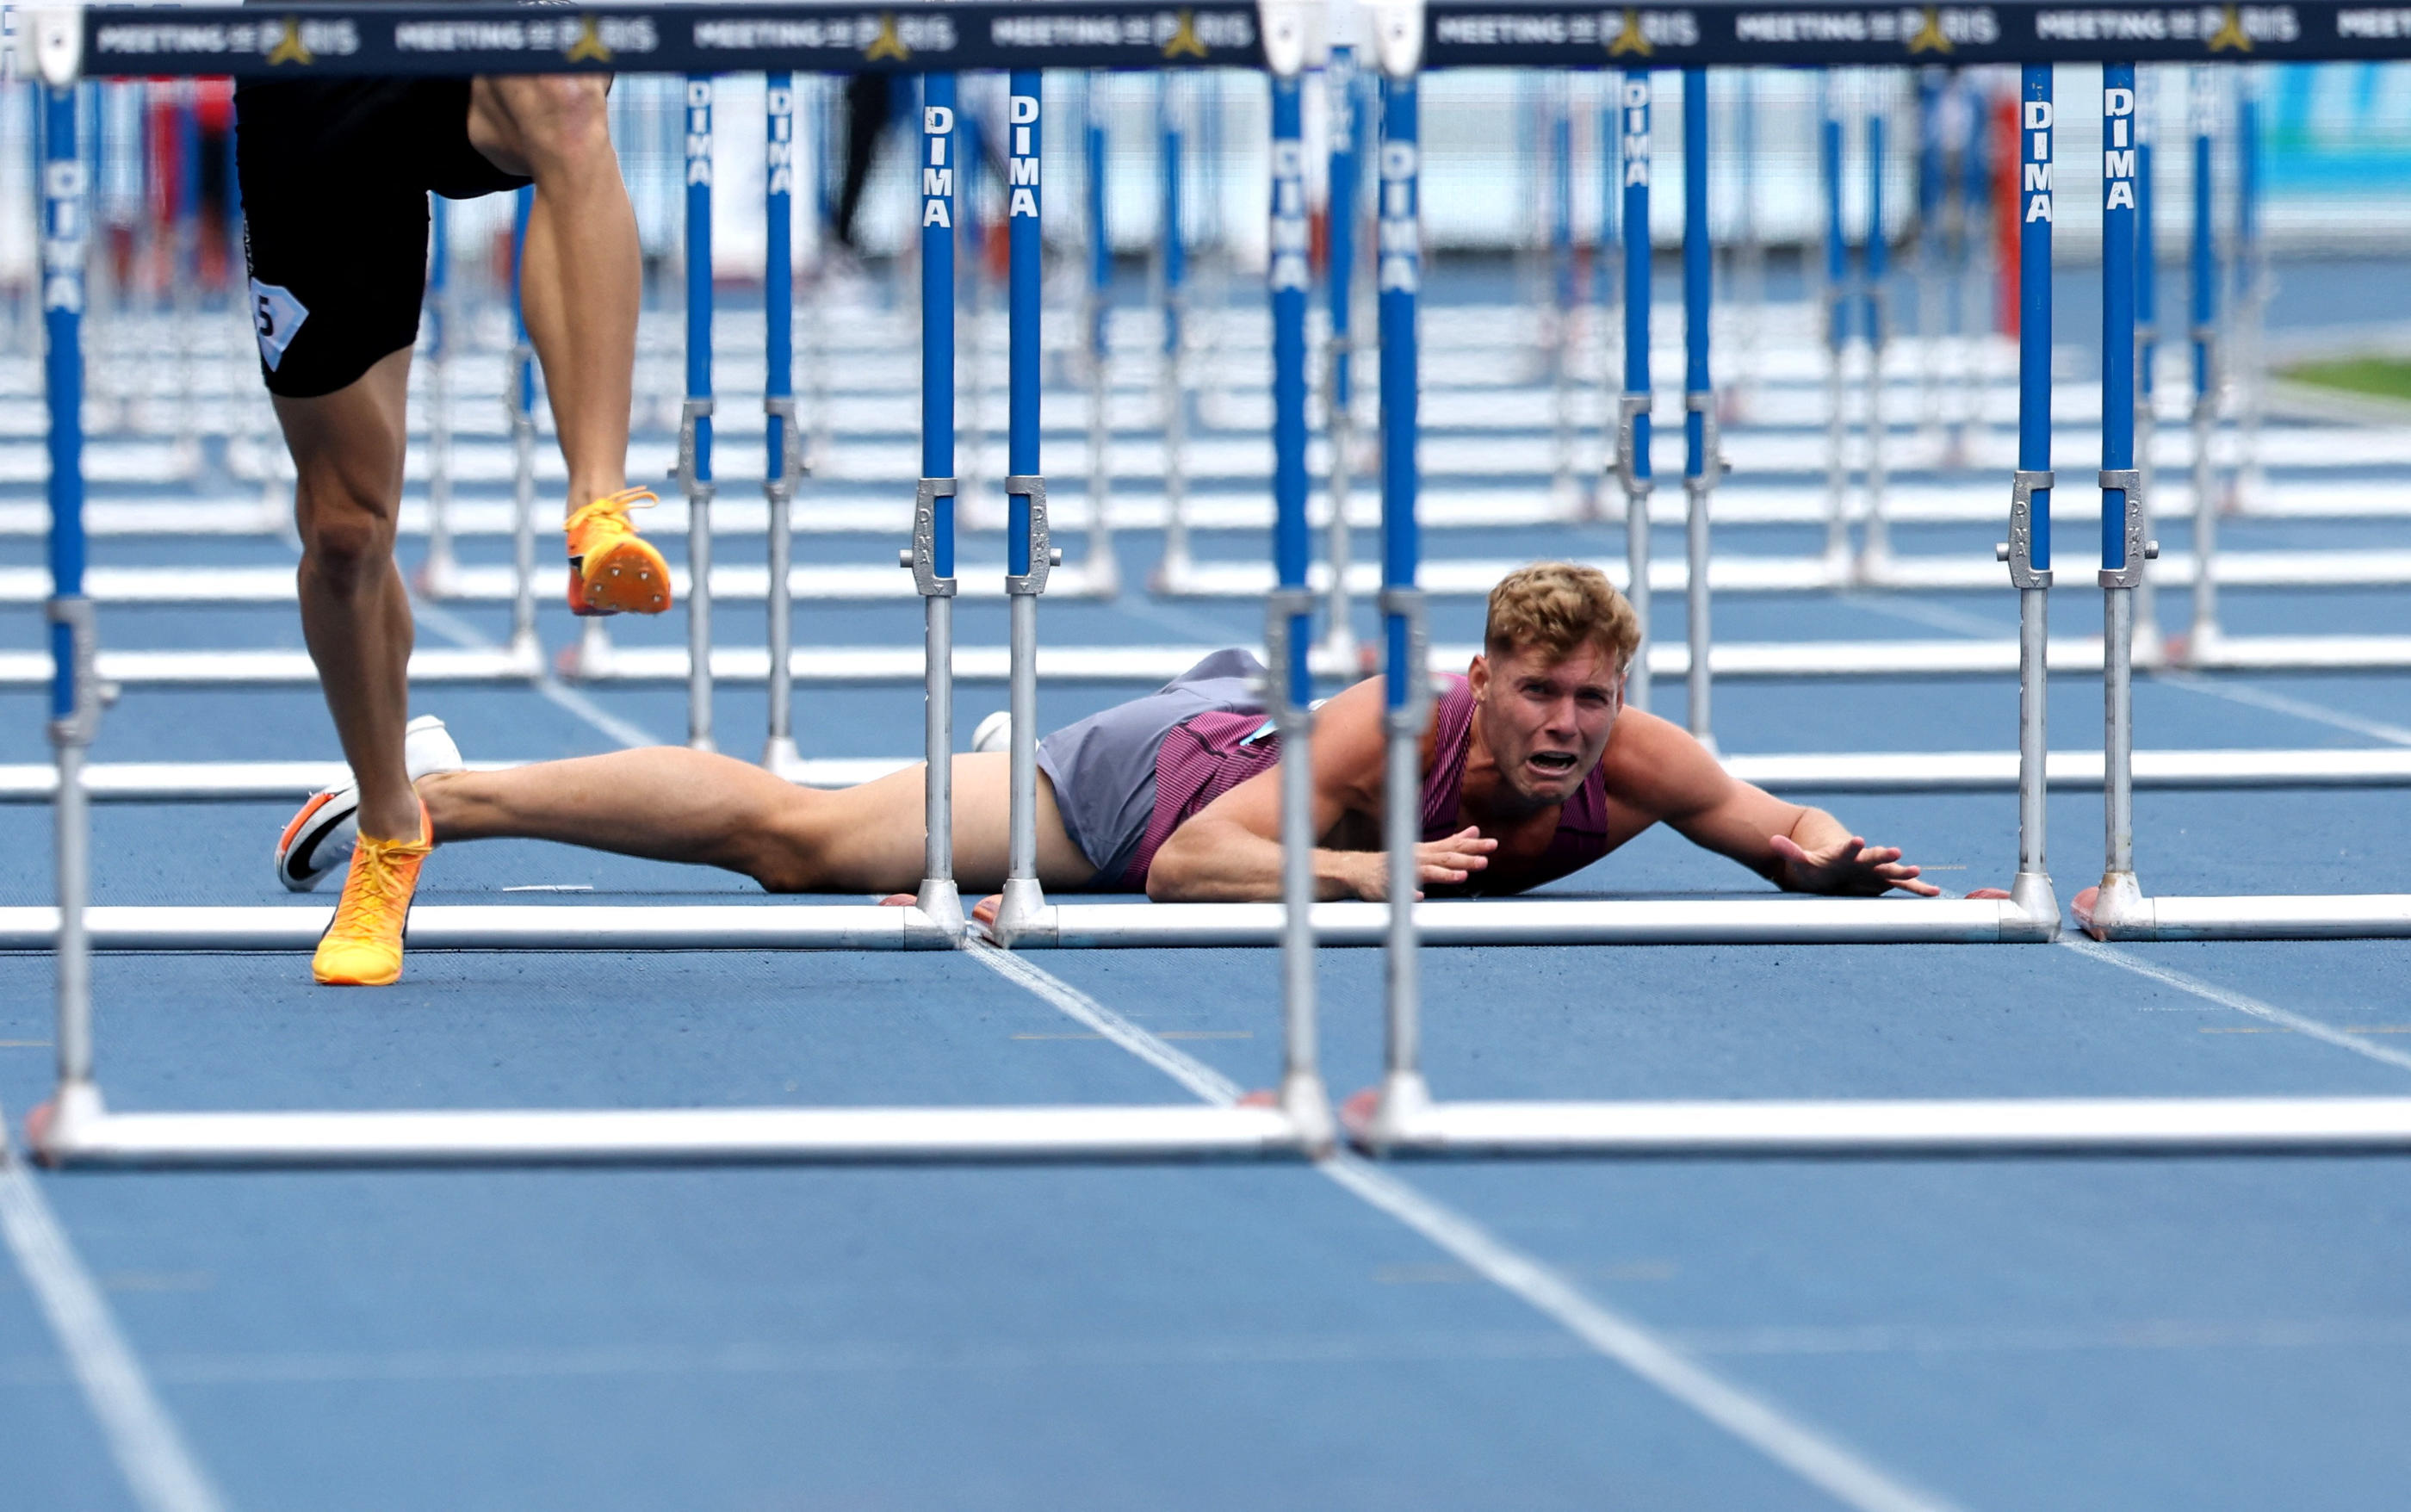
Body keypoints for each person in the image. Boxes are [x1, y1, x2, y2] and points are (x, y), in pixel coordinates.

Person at [276, 565, 1949, 960]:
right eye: (1538, 694)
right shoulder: (1408, 716)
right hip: (1160, 780)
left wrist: (1828, 852)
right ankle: (429, 786)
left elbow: (1770, 818)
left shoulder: (1639, 756)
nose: (1564, 727)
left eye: (1587, 699)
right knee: (803, 842)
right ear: (1484, 678)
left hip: (1260, 753)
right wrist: (1377, 868)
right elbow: (1199, 867)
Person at [236, 70, 670, 986]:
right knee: (345, 532)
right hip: (313, 64)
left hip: (473, 28)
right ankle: (390, 824)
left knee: (562, 100)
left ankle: (598, 500)